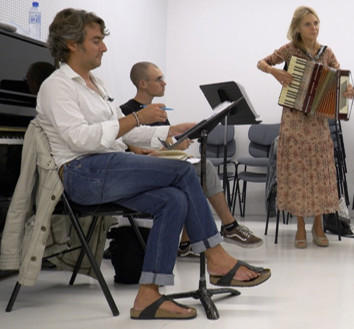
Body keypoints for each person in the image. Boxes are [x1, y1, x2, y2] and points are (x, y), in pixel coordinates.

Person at [37, 9, 270, 320]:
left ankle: (148, 296)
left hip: (107, 165)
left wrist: (169, 131)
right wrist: (135, 117)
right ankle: (216, 256)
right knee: (185, 170)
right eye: (95, 41)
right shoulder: (57, 86)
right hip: (82, 174)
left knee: (172, 200)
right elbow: (81, 140)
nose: (104, 47)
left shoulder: (96, 83)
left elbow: (121, 132)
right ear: (70, 44)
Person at [120, 61, 263, 251]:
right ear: (142, 83)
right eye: (159, 79)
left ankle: (188, 244)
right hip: (141, 170)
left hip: (161, 164)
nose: (164, 83)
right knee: (204, 169)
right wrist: (169, 148)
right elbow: (138, 151)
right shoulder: (126, 112)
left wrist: (178, 144)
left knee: (200, 172)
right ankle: (228, 226)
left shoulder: (159, 112)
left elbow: (165, 143)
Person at [257, 6, 353, 249]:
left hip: (318, 121)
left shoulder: (326, 52)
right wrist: (275, 72)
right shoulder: (290, 49)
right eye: (309, 24)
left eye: (316, 23)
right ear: (298, 28)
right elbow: (261, 63)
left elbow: (342, 81)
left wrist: (349, 90)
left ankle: (318, 226)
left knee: (319, 173)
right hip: (294, 119)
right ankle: (300, 226)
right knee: (298, 173)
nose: (314, 28)